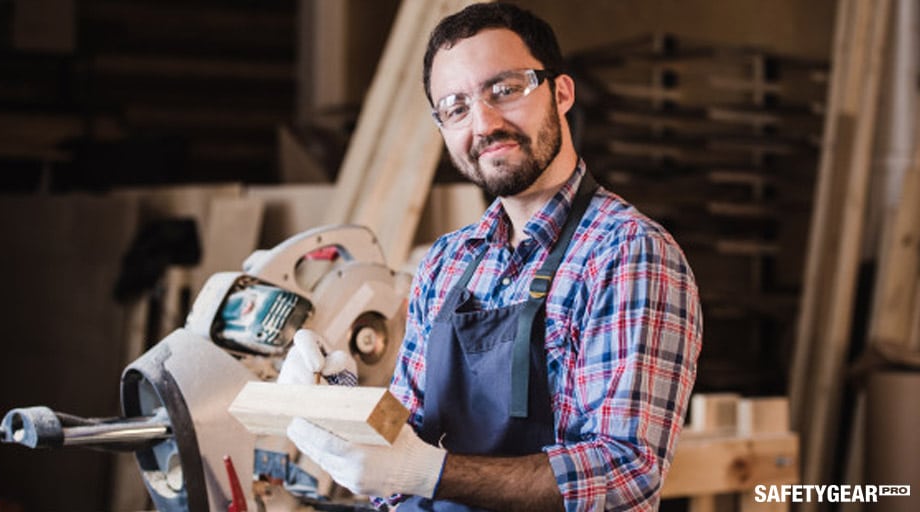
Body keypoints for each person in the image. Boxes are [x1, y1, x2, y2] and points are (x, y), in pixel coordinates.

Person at [278, 3, 702, 511]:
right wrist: (338, 404)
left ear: (561, 93)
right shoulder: (446, 262)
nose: (485, 123)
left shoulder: (627, 254)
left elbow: (624, 471)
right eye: (456, 107)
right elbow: (404, 443)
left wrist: (426, 472)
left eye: (505, 89)